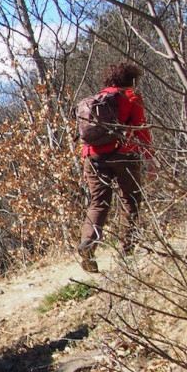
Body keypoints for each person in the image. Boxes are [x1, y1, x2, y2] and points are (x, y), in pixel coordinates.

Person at [77, 61, 154, 273]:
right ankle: (127, 250)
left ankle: (88, 244)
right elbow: (140, 129)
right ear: (131, 79)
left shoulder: (93, 101)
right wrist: (149, 158)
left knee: (99, 203)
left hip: (93, 158)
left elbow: (86, 138)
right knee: (131, 200)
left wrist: (87, 163)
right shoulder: (131, 97)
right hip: (124, 154)